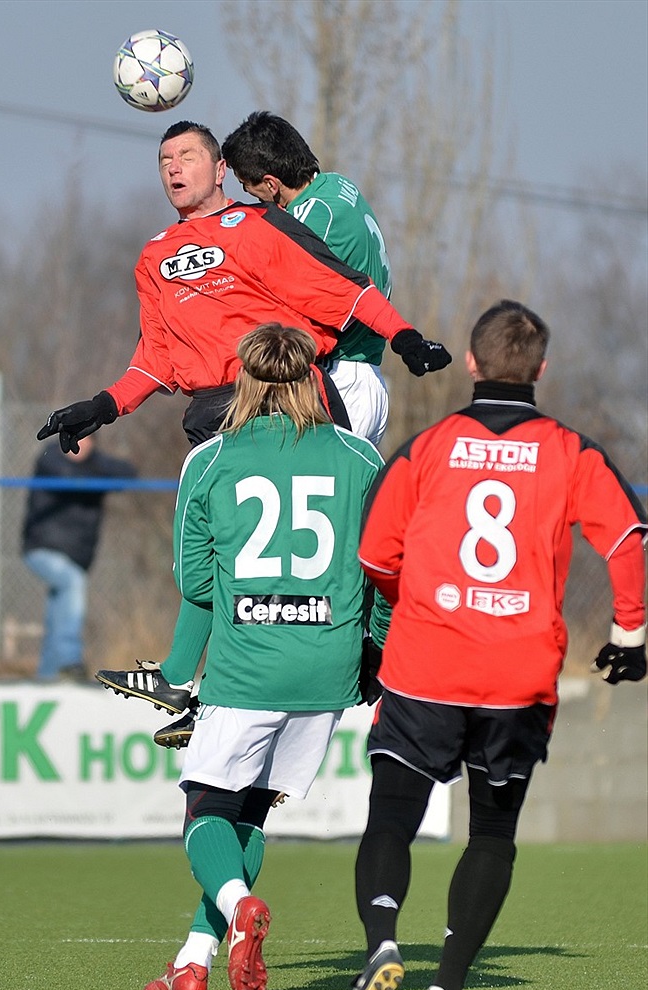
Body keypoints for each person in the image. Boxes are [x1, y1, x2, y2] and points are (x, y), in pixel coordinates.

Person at [36, 119, 449, 734]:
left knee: (313, 541)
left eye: (187, 156)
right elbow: (154, 358)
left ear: (220, 169)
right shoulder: (153, 258)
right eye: (163, 161)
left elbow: (344, 292)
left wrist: (406, 336)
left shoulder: (259, 226)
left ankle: (360, 655)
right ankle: (196, 685)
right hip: (211, 410)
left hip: (282, 396)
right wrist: (102, 405)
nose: (174, 168)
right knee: (220, 554)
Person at [342, 300, 647, 990]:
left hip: (426, 665)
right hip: (516, 674)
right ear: (541, 370)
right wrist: (630, 632)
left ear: (472, 364)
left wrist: (414, 602)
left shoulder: (430, 447)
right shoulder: (571, 451)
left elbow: (376, 555)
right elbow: (630, 536)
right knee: (491, 834)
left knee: (391, 818)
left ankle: (383, 942)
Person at [133, 323, 390, 990]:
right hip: (329, 669)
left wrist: (177, 675)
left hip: (248, 666)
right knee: (248, 812)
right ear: (315, 378)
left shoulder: (211, 461)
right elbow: (385, 575)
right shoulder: (362, 459)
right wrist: (376, 661)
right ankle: (193, 960)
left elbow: (197, 583)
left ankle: (242, 908)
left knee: (203, 816)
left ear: (241, 380)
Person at [222, 110, 394, 445]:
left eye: (249, 185)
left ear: (271, 183)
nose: (249, 194)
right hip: (366, 377)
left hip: (343, 380)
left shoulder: (311, 220)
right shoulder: (337, 184)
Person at [22, 435, 137, 682]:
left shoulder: (96, 463)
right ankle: (69, 660)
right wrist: (98, 477)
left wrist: (97, 472)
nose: (78, 447)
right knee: (71, 582)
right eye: (74, 441)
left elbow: (128, 472)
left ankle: (47, 674)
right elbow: (67, 477)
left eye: (85, 441)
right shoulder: (51, 457)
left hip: (77, 555)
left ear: (94, 444)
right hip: (42, 548)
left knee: (58, 606)